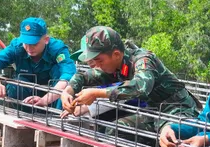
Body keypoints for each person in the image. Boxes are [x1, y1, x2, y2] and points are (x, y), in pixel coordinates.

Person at [61, 26, 199, 138]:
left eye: (99, 60)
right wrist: (68, 91)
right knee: (113, 130)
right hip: (152, 112)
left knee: (171, 136)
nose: (96, 65)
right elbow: (84, 76)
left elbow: (140, 87)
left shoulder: (142, 60)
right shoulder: (116, 66)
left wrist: (96, 93)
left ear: (116, 54)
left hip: (177, 111)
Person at [0, 17, 75, 106]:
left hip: (53, 94)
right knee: (15, 85)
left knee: (65, 86)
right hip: (25, 94)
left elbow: (68, 76)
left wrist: (45, 100)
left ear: (46, 40)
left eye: (34, 44)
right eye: (26, 43)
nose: (29, 48)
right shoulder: (17, 47)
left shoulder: (57, 49)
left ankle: (58, 118)